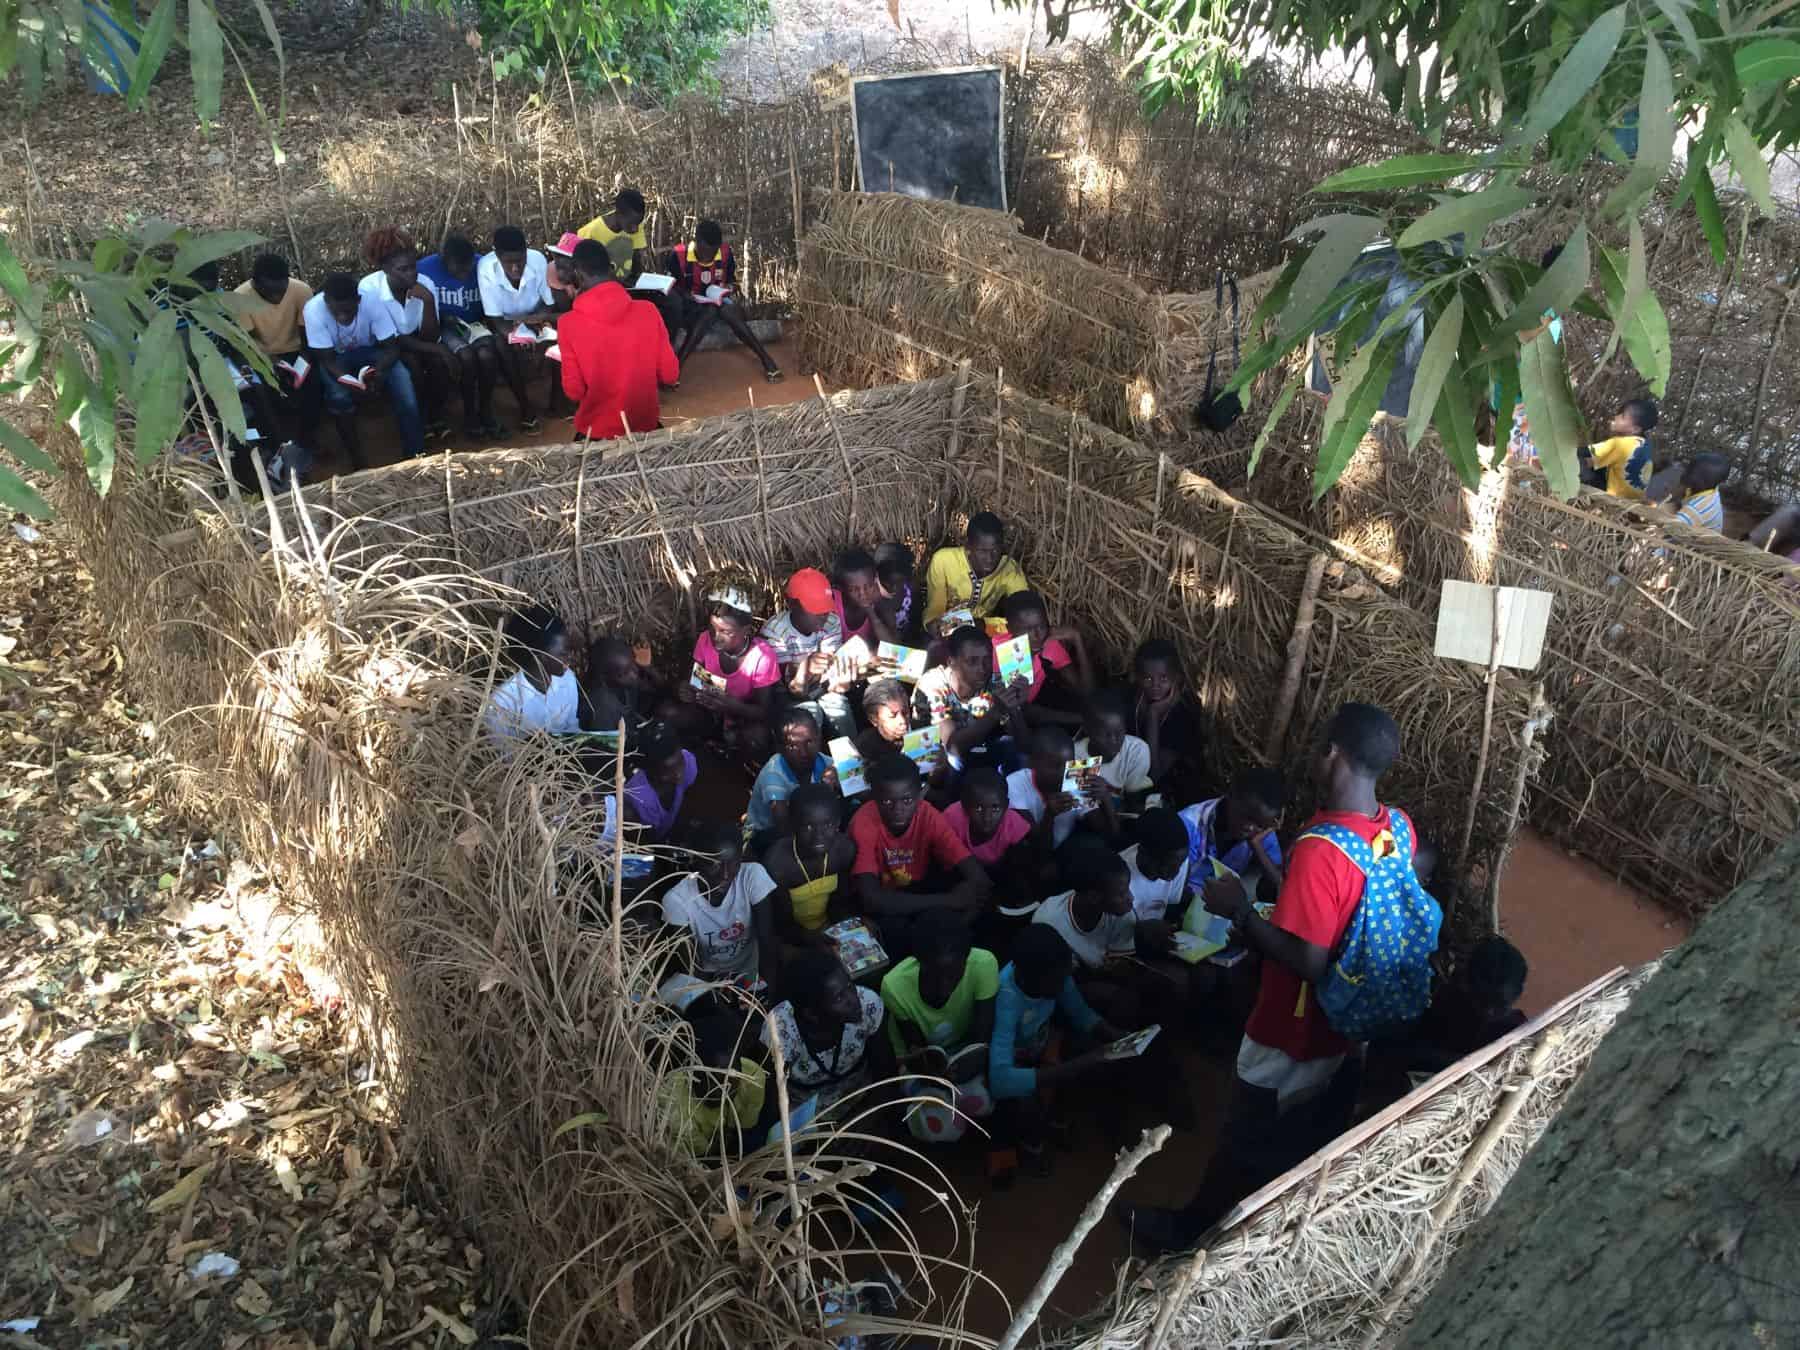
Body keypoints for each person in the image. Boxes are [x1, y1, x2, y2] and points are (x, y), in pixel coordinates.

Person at [1118, 702, 1419, 1251]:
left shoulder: (1320, 849)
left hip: (1293, 1024)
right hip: (1350, 1017)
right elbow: (1340, 915)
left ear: (1332, 754)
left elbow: (1308, 961)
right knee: (1303, 1124)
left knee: (1244, 1131)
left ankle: (1195, 1234)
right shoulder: (1395, 827)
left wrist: (1239, 911)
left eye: (1319, 745)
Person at [987, 925, 1124, 1186]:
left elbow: (1080, 1013)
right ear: (1029, 977)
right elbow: (1000, 1078)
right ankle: (1031, 1146)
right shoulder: (1007, 997)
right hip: (1015, 1062)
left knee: (1083, 1050)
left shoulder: (1056, 973)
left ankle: (1057, 1122)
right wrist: (1076, 1066)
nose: (1065, 983)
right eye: (1058, 980)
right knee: (1023, 1101)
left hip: (1042, 1045)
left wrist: (1120, 1036)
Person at [881, 910, 999, 1142]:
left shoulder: (984, 964)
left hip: (963, 1051)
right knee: (937, 1125)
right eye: (934, 975)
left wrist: (973, 1060)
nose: (944, 986)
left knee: (985, 1101)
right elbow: (916, 1048)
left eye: (954, 975)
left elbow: (982, 1035)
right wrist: (933, 1074)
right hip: (920, 1064)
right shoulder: (894, 986)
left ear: (966, 961)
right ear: (918, 962)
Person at [848, 754, 991, 942]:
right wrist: (949, 900)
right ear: (874, 798)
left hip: (918, 889)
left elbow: (977, 875)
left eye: (907, 801)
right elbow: (871, 898)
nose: (898, 809)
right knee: (893, 928)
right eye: (887, 802)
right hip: (883, 898)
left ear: (920, 795)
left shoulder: (928, 814)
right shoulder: (863, 823)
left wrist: (959, 923)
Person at [557, 238, 679, 442]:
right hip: (644, 428)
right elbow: (670, 375)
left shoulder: (567, 324)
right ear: (611, 268)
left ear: (577, 274)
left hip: (597, 433)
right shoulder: (648, 311)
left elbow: (574, 391)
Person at [302, 271, 422, 468]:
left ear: (358, 300)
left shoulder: (371, 302)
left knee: (403, 381)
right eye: (336, 312)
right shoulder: (313, 310)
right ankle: (357, 459)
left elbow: (391, 347)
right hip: (336, 358)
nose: (343, 317)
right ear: (326, 301)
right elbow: (327, 360)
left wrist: (380, 371)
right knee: (338, 396)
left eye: (348, 312)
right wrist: (349, 382)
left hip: (371, 352)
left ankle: (415, 452)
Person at [762, 950, 897, 1121]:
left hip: (863, 1099)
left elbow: (885, 1070)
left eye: (849, 986)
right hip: (807, 1118)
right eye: (839, 998)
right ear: (811, 1014)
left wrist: (866, 1117)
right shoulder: (780, 1034)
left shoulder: (868, 1005)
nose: (853, 999)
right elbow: (773, 1102)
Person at [660, 821, 779, 991]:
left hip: (753, 972)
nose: (725, 875)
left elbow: (767, 944)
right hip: (710, 981)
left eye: (734, 864)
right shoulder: (677, 900)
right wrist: (716, 1000)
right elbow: (692, 968)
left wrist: (765, 995)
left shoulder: (752, 876)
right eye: (714, 864)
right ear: (696, 861)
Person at [358, 226, 451, 443]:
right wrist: (438, 348)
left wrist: (427, 301)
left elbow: (430, 336)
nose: (412, 274)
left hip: (417, 340)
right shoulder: (369, 289)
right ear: (384, 269)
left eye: (413, 267)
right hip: (384, 345)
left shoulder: (425, 284)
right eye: (403, 269)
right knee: (413, 365)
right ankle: (421, 420)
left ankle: (435, 415)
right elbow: (391, 339)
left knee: (438, 365)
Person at [667, 219, 782, 379]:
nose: (709, 258)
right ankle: (677, 365)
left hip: (719, 304)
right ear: (697, 242)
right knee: (711, 310)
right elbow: (671, 288)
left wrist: (729, 288)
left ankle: (766, 359)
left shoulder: (725, 253)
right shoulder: (678, 255)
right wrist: (687, 296)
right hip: (692, 309)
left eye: (713, 253)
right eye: (705, 253)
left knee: (725, 308)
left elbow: (731, 281)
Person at [417, 234, 502, 439]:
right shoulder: (424, 269)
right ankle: (470, 414)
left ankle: (485, 410)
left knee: (487, 356)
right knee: (466, 357)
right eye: (458, 268)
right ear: (444, 260)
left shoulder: (482, 264)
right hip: (445, 325)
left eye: (468, 267)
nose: (464, 274)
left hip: (474, 324)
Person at [682, 586, 781, 762]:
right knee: (674, 713)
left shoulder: (762, 656)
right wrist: (688, 690)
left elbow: (764, 712)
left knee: (756, 738)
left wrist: (731, 706)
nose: (716, 636)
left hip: (742, 719)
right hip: (710, 714)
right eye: (713, 628)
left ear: (746, 630)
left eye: (726, 632)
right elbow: (695, 679)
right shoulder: (705, 640)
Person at [232, 253, 321, 450]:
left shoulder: (301, 290)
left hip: (297, 350)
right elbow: (246, 342)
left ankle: (309, 437)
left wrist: (302, 364)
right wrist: (268, 361)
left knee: (313, 385)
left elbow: (307, 335)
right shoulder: (240, 298)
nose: (277, 298)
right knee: (262, 392)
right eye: (270, 293)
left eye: (281, 291)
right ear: (256, 284)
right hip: (262, 355)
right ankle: (278, 444)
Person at [476, 225, 558, 432]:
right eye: (509, 263)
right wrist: (517, 338)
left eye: (520, 261)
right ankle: (526, 408)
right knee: (502, 347)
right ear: (497, 256)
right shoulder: (486, 268)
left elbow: (548, 304)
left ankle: (558, 401)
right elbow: (494, 318)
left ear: (526, 253)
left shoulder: (538, 260)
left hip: (535, 318)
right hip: (505, 324)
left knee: (561, 337)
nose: (515, 268)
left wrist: (537, 326)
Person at [914, 624, 1030, 771]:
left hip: (978, 750)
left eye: (987, 659)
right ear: (951, 662)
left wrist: (1015, 707)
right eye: (972, 661)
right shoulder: (933, 686)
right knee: (950, 763)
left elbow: (1024, 747)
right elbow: (952, 747)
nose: (982, 668)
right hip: (935, 761)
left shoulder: (995, 683)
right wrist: (996, 712)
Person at [665, 1011, 778, 1155]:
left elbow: (746, 1127)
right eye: (714, 1081)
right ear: (693, 1074)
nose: (724, 1089)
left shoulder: (753, 1077)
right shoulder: (673, 1100)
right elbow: (700, 1152)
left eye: (731, 1079)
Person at [764, 782, 858, 948]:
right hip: (794, 938)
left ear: (837, 823)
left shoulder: (844, 850)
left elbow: (840, 902)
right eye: (808, 826)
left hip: (829, 929)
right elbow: (782, 923)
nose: (818, 836)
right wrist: (813, 940)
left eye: (827, 825)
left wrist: (852, 927)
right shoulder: (777, 864)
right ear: (793, 825)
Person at [760, 566, 851, 738]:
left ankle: (851, 761)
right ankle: (811, 760)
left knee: (839, 704)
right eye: (815, 610)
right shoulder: (774, 632)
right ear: (792, 604)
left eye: (825, 609)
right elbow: (790, 687)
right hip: (787, 697)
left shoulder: (831, 621)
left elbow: (830, 670)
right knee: (809, 713)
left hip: (821, 688)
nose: (823, 616)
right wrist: (806, 668)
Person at [1179, 767, 1287, 898]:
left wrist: (1256, 846)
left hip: (1219, 901)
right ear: (1231, 795)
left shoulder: (1261, 832)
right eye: (1247, 817)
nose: (1251, 828)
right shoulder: (1190, 824)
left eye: (1259, 825)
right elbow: (1173, 885)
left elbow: (1280, 883)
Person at [746, 706, 837, 852]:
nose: (803, 752)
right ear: (780, 748)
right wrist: (825, 789)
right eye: (793, 746)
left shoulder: (826, 763)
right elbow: (783, 825)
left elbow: (861, 793)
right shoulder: (773, 774)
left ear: (819, 738)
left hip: (807, 828)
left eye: (809, 742)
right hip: (765, 833)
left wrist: (852, 768)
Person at [995, 590, 1092, 727]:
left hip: (1026, 712)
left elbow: (1086, 692)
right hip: (998, 717)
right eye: (1027, 629)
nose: (1037, 635)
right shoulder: (1005, 650)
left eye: (1041, 626)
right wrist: (1079, 719)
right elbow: (1020, 708)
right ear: (1009, 628)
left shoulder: (1050, 645)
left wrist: (1077, 639)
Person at [1008, 726, 1110, 853]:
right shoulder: (1015, 784)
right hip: (1030, 855)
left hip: (1065, 850)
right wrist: (1049, 815)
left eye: (1069, 764)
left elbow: (1107, 835)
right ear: (1032, 762)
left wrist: (1105, 797)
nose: (1064, 772)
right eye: (1055, 766)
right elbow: (1038, 849)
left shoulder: (1076, 776)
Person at [1127, 639, 1206, 800]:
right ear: (1137, 677)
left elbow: (1153, 776)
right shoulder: (1132, 697)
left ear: (1176, 677)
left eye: (1163, 678)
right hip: (1125, 780)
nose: (1155, 685)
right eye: (1148, 679)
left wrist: (1153, 715)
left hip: (1168, 792)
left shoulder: (1183, 712)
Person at [923, 512, 1029, 630]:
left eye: (995, 550)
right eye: (982, 551)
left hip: (985, 633)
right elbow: (935, 608)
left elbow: (1025, 614)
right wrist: (934, 625)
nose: (989, 558)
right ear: (968, 546)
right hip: (947, 629)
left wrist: (983, 624)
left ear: (1002, 546)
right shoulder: (943, 561)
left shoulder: (1010, 569)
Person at [484, 605, 579, 738]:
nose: (570, 657)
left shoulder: (568, 680)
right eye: (563, 653)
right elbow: (501, 755)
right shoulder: (502, 702)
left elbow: (572, 732)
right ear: (540, 657)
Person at [622, 723, 699, 843]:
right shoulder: (637, 799)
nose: (679, 774)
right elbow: (645, 844)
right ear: (650, 769)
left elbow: (690, 798)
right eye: (668, 770)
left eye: (680, 763)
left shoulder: (688, 763)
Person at [1074, 688, 1153, 802]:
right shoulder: (1076, 755)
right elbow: (1082, 809)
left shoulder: (1136, 750)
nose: (1113, 740)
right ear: (1087, 730)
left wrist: (1107, 792)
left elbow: (1135, 803)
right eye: (1105, 735)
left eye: (1119, 732)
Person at [581, 635, 665, 740]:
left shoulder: (624, 680)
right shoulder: (602, 707)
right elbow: (605, 747)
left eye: (634, 663)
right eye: (625, 672)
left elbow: (660, 690)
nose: (634, 673)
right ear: (604, 677)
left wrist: (648, 667)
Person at [1120, 806, 1192, 926]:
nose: (1176, 873)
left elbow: (1171, 908)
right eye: (1168, 866)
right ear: (1143, 852)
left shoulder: (1179, 864)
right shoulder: (1119, 880)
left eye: (1181, 864)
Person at [1579, 398, 1658, 499]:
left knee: (1579, 458)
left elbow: (1582, 452)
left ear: (1635, 429)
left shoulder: (1620, 444)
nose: (1616, 417)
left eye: (1622, 416)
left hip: (1611, 497)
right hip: (1631, 501)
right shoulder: (1645, 446)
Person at [578, 187, 656, 284]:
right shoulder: (589, 232)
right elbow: (585, 273)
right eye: (631, 224)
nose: (635, 229)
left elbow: (637, 263)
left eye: (638, 223)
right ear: (618, 214)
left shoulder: (634, 224)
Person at [1671, 453, 1730, 533]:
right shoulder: (1711, 488)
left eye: (1690, 473)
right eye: (1689, 469)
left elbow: (1668, 530)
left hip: (1694, 543)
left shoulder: (1695, 510)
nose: (1684, 473)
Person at [875, 543, 918, 640]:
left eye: (900, 582)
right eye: (887, 582)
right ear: (877, 576)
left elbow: (915, 620)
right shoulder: (872, 595)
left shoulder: (910, 590)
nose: (894, 588)